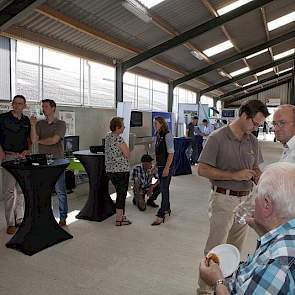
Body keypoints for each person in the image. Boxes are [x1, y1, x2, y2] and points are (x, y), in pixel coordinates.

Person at [196, 100, 269, 294]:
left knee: (234, 249)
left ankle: (225, 287)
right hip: (224, 199)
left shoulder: (252, 140)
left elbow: (255, 168)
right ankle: (204, 290)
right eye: (255, 123)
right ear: (244, 116)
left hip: (245, 201)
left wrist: (262, 181)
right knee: (215, 249)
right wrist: (233, 175)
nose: (256, 127)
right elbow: (202, 169)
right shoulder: (217, 138)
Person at [199, 162, 295, 295]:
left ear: (267, 205)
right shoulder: (286, 232)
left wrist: (217, 281)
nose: (253, 200)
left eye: (257, 195)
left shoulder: (278, 264)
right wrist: (262, 229)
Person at [30, 99, 68, 226]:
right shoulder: (40, 124)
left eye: (46, 106)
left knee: (60, 190)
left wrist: (39, 141)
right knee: (45, 189)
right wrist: (33, 125)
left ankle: (63, 217)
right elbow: (34, 138)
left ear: (53, 108)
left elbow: (54, 140)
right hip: (43, 160)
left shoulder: (61, 124)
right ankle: (47, 215)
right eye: (42, 106)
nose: (43, 109)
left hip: (57, 160)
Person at [0, 95, 31, 234]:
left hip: (23, 158)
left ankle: (20, 218)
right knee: (9, 191)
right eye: (16, 103)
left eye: (21, 104)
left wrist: (28, 149)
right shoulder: (3, 118)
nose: (18, 106)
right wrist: (1, 152)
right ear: (12, 104)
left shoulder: (26, 120)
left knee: (21, 190)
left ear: (24, 105)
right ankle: (10, 223)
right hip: (8, 156)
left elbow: (29, 138)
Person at [105, 117, 131, 226]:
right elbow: (127, 154)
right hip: (121, 170)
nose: (124, 127)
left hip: (110, 170)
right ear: (117, 128)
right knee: (121, 194)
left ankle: (121, 215)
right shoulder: (119, 139)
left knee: (119, 192)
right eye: (123, 125)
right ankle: (119, 219)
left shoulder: (108, 137)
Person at [151, 116, 174, 226]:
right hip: (160, 166)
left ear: (162, 124)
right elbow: (159, 153)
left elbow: (170, 153)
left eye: (156, 123)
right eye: (154, 123)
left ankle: (161, 214)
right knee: (164, 188)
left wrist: (166, 168)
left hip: (166, 167)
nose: (154, 125)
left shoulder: (167, 135)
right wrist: (155, 165)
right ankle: (167, 208)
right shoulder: (158, 135)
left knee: (164, 189)